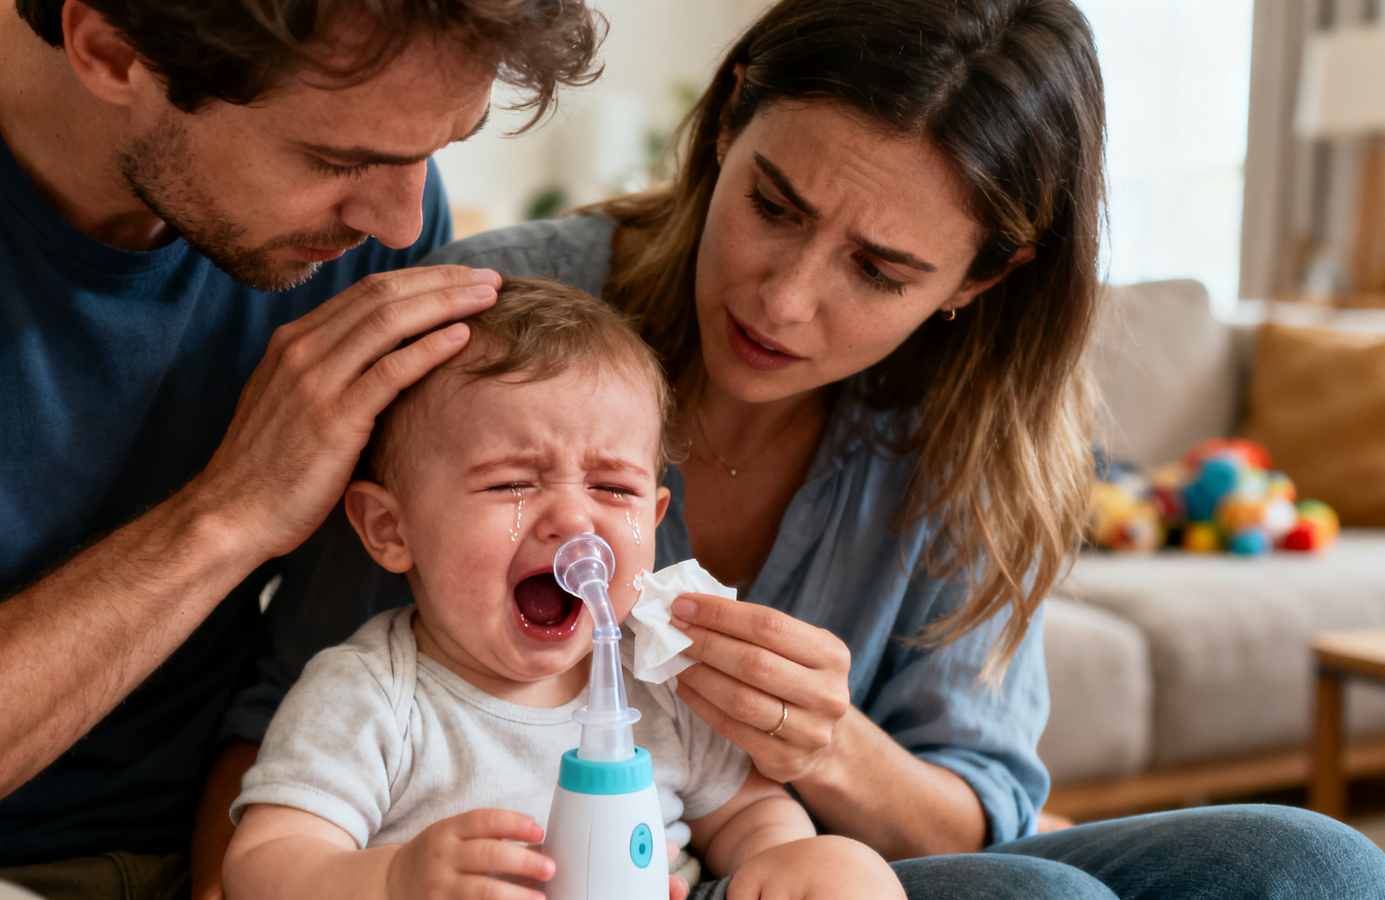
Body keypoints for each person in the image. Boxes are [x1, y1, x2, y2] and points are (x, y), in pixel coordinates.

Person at [194, 0, 1385, 897]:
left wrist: (825, 770)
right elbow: (268, 766)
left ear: (979, 280)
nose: (783, 300)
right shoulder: (497, 341)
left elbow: (976, 812)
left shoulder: (967, 433)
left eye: (880, 271)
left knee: (1312, 865)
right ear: (726, 126)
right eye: (774, 205)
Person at [0, 0, 604, 897]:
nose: (402, 222)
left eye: (441, 145)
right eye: (337, 158)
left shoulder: (357, 232)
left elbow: (366, 664)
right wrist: (230, 513)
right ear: (109, 48)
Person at [220, 278, 905, 900]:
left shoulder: (661, 677)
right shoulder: (370, 696)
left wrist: (779, 859)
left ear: (657, 520)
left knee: (848, 873)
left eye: (613, 488)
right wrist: (394, 879)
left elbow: (751, 809)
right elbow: (264, 865)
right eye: (512, 483)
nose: (576, 519)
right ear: (390, 529)